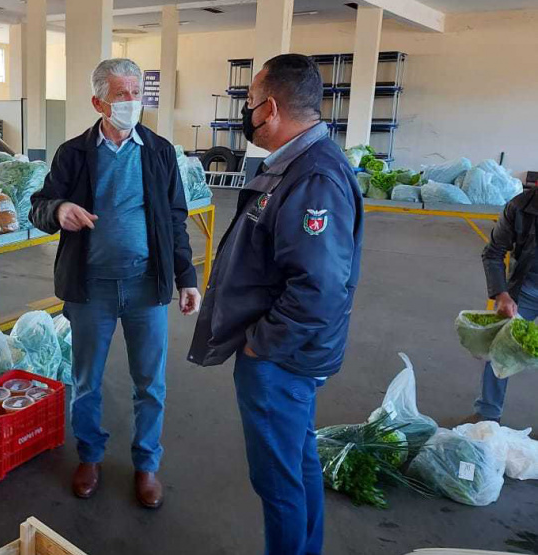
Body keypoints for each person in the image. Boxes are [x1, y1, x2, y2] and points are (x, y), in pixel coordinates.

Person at [188, 54, 363, 554]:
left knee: (278, 483)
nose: (246, 113)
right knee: (297, 463)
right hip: (287, 354)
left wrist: (262, 347)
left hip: (282, 358)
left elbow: (318, 289)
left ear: (269, 108)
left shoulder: (313, 178)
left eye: (247, 103)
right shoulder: (294, 164)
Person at [30, 58, 201, 509]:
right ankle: (89, 455)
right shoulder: (74, 153)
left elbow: (175, 219)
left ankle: (147, 464)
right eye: (121, 94)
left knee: (151, 382)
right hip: (92, 289)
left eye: (135, 92)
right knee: (86, 379)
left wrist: (187, 277)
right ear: (98, 101)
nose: (131, 102)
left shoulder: (160, 152)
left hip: (147, 286)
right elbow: (39, 204)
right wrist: (59, 209)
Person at [460, 188, 538, 425]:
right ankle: (487, 414)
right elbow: (494, 252)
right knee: (500, 349)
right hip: (525, 289)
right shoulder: (519, 207)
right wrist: (502, 295)